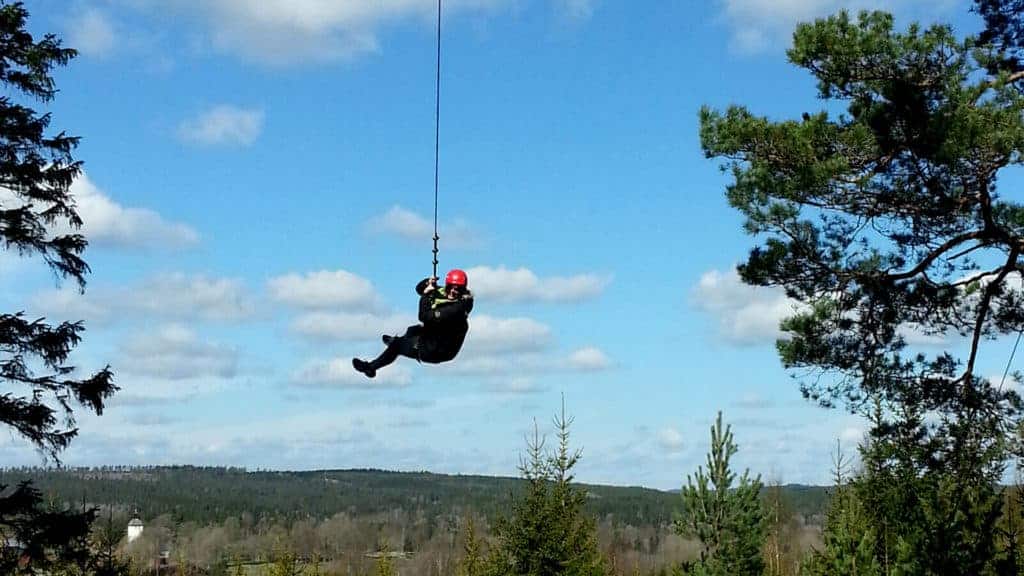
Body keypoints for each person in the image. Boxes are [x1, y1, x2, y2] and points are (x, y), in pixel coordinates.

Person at [352, 268, 474, 378]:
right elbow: (419, 289)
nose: (453, 291)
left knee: (397, 346)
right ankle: (399, 341)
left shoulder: (457, 309)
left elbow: (424, 316)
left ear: (463, 290)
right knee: (413, 330)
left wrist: (426, 295)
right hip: (436, 339)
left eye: (458, 289)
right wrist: (428, 283)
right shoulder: (446, 295)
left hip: (435, 351)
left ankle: (370, 368)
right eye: (450, 287)